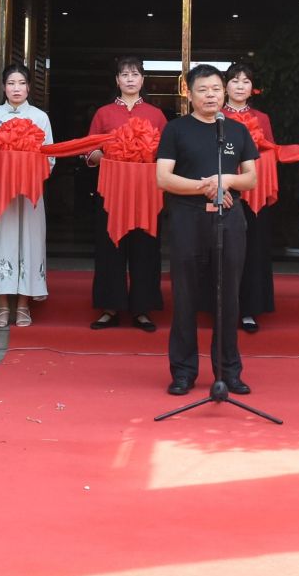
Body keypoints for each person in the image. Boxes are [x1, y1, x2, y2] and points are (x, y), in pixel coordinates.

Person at [156, 64, 259, 395]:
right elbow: (163, 178)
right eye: (203, 90)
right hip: (188, 218)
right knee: (184, 295)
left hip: (229, 219)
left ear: (224, 91)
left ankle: (228, 371)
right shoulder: (176, 130)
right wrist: (205, 187)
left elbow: (251, 178)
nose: (211, 95)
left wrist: (224, 180)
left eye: (216, 89)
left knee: (227, 296)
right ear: (189, 93)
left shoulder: (236, 131)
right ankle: (183, 371)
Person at [84, 57, 167, 332]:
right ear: (117, 80)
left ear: (143, 80)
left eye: (135, 74)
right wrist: (104, 155)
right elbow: (89, 149)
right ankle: (110, 308)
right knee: (110, 247)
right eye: (125, 75)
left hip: (147, 193)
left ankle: (142, 309)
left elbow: (167, 153)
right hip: (113, 191)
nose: (130, 79)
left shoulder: (156, 115)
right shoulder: (104, 113)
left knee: (145, 248)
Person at [0, 64, 52, 327]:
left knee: (29, 241)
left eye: (21, 83)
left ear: (29, 87)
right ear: (3, 87)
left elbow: (50, 157)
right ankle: (2, 305)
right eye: (11, 83)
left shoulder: (40, 117)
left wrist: (26, 173)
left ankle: (24, 305)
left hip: (29, 195)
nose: (16, 88)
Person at [223, 63, 276, 333]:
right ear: (225, 86)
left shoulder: (262, 118)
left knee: (253, 249)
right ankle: (220, 308)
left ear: (252, 87)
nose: (240, 86)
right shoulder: (215, 115)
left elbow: (270, 155)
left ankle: (249, 310)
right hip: (222, 191)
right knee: (221, 250)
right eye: (235, 81)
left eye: (245, 81)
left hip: (254, 193)